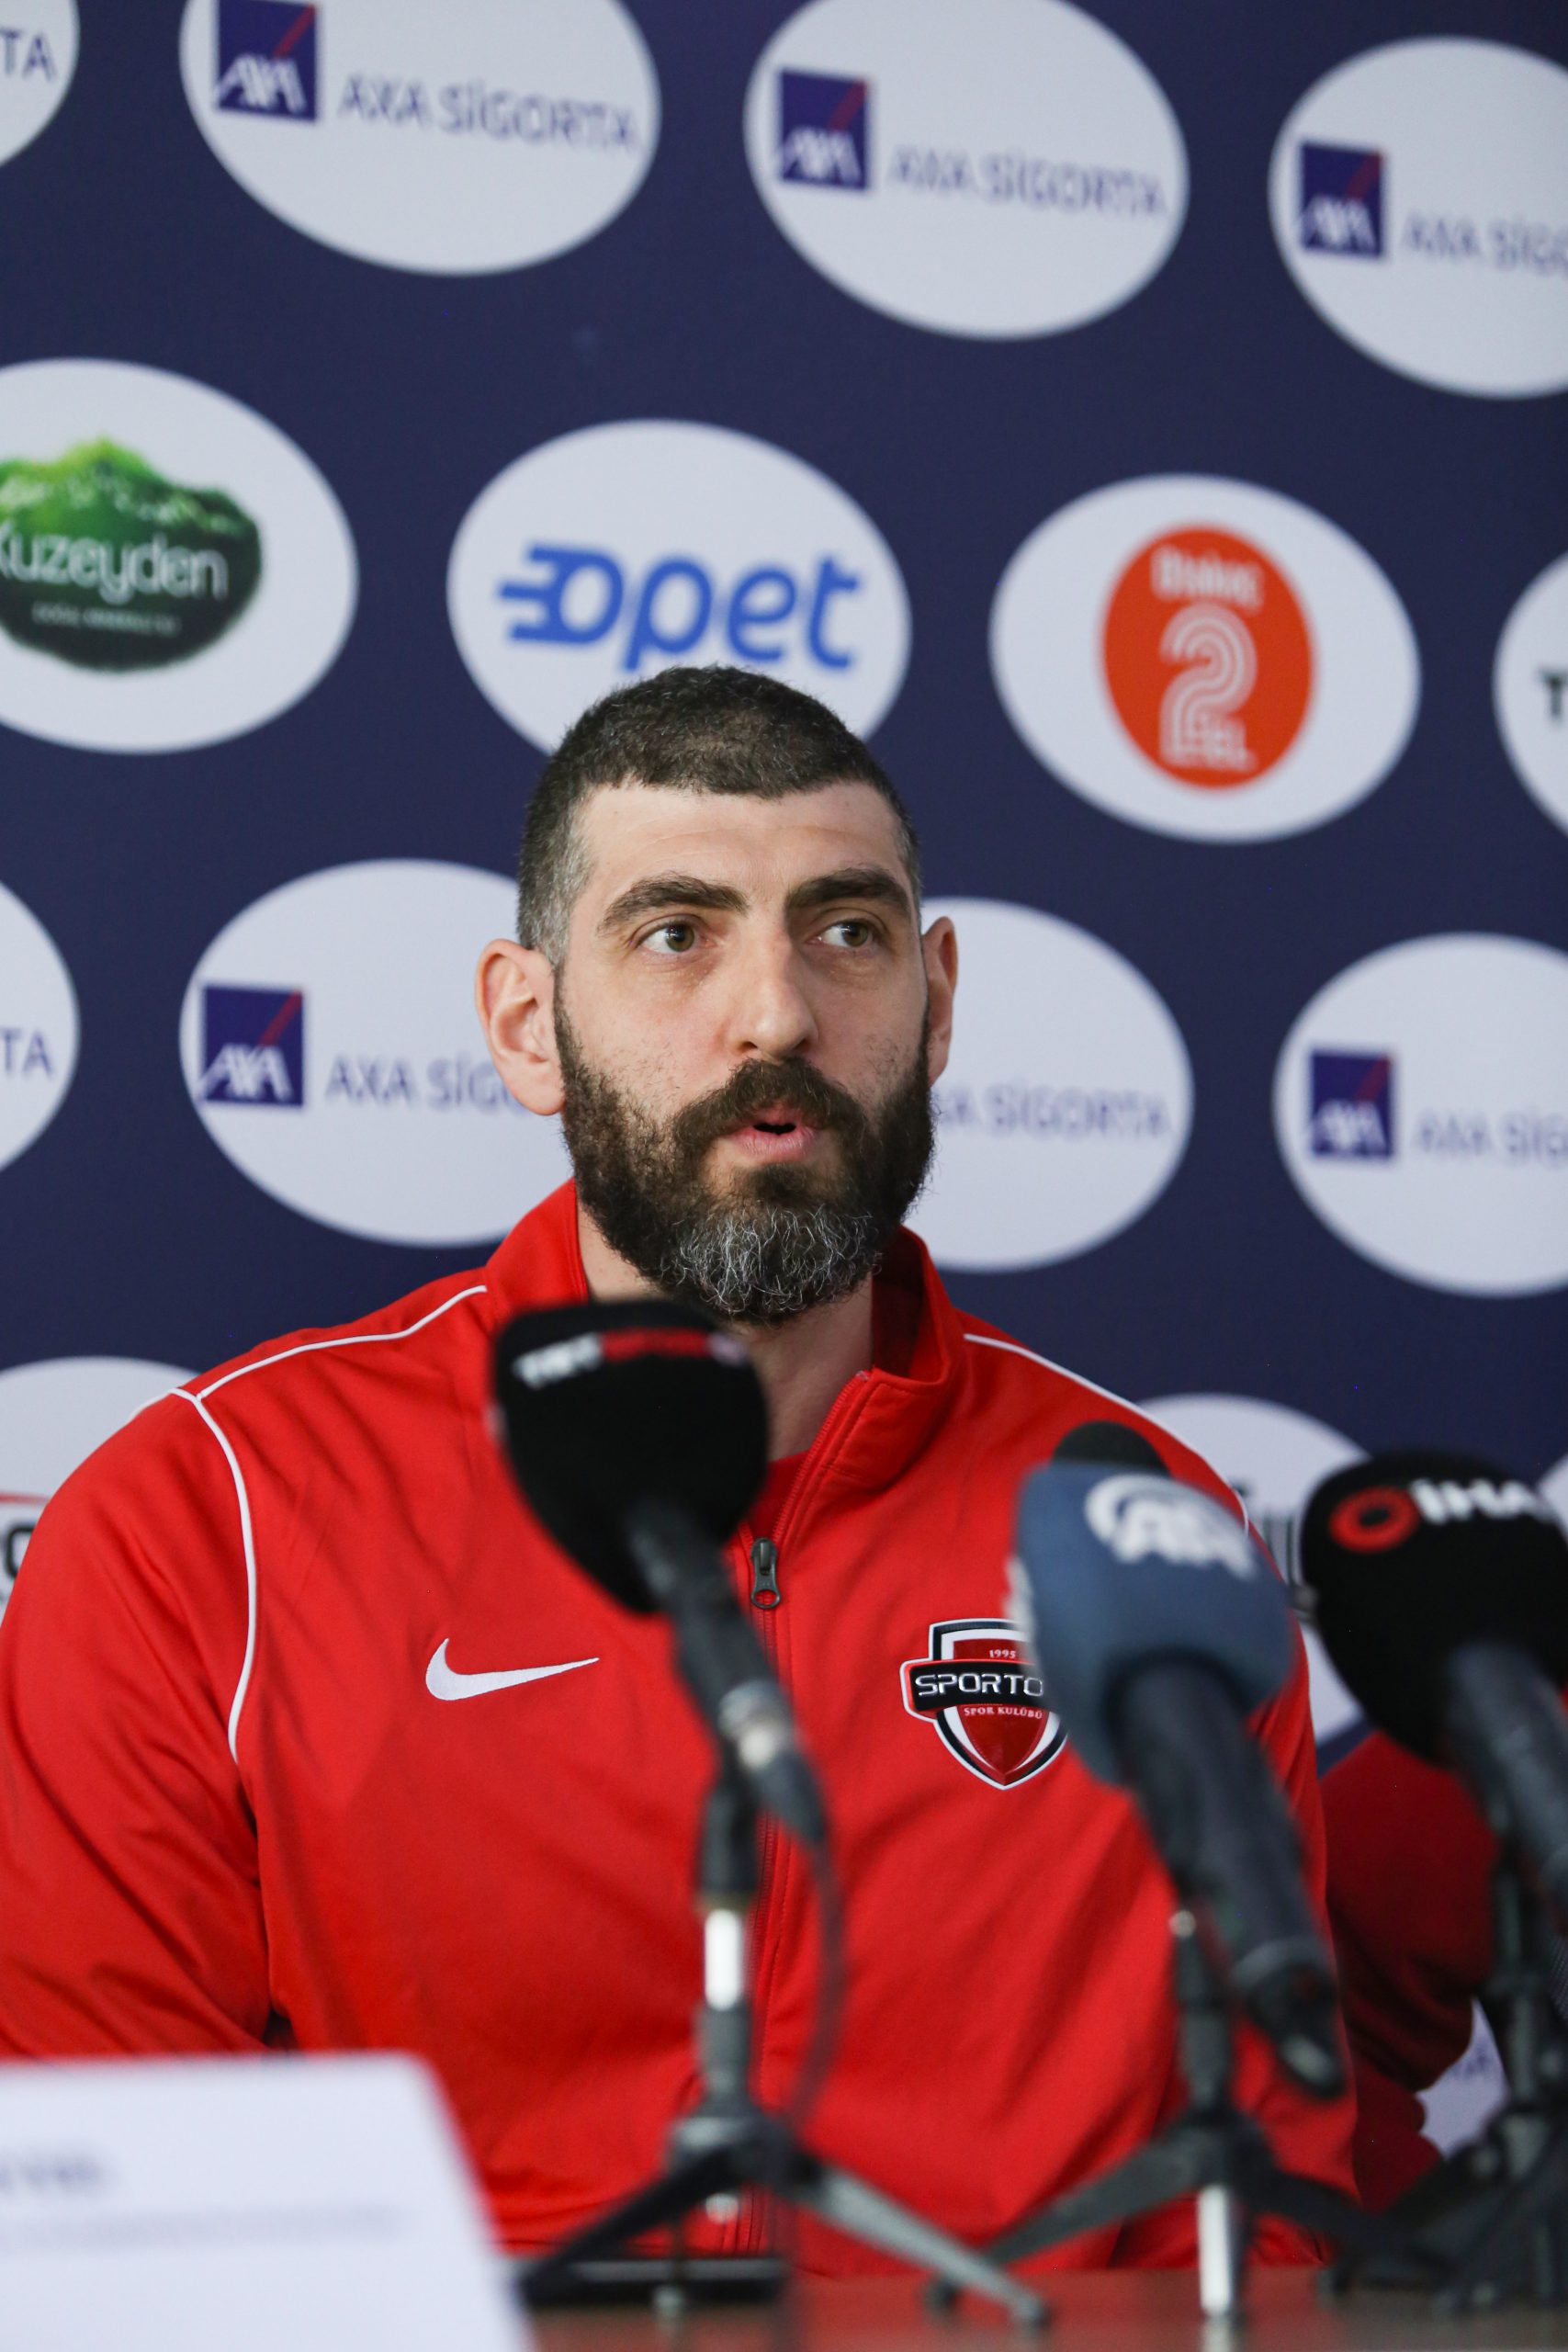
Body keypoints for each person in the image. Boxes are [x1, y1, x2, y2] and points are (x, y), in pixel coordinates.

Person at [0, 667, 1353, 2270]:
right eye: (675, 934)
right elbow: (118, 2233)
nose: (776, 1015)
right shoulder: (206, 1516)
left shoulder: (1145, 1531)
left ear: (936, 1004)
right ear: (528, 1025)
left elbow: (1259, 2223)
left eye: (845, 931)